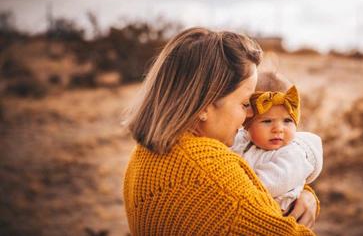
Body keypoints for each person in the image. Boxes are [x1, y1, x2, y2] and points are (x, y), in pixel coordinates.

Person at [123, 27, 320, 235]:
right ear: (205, 105)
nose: (250, 114)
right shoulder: (214, 176)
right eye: (245, 104)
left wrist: (303, 193)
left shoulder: (144, 154)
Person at [231, 71, 323, 213]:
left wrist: (231, 184)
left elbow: (273, 182)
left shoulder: (294, 154)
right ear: (247, 124)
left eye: (287, 121)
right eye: (267, 121)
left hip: (279, 215)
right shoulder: (238, 140)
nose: (278, 129)